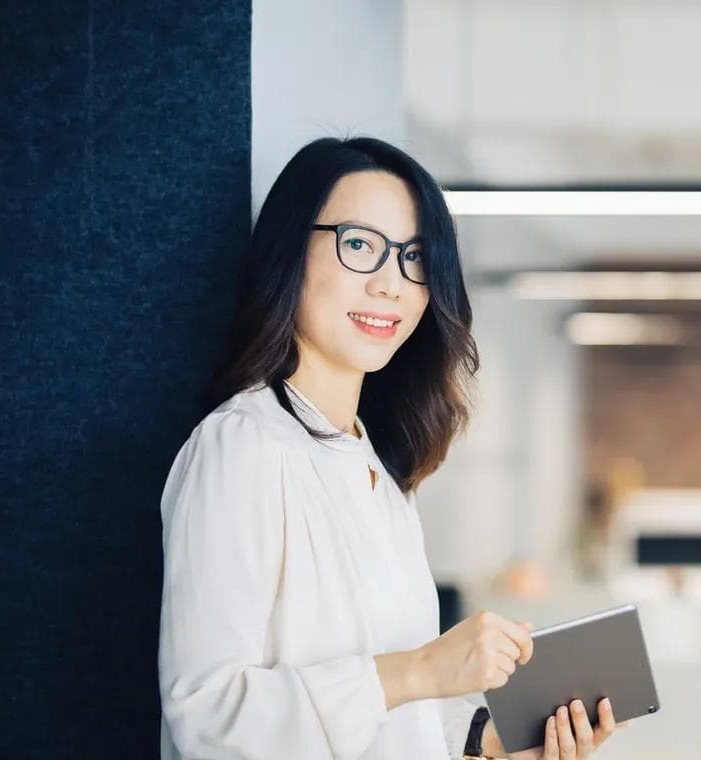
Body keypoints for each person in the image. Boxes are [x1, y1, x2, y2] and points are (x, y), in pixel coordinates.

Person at [157, 137, 623, 759]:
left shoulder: (377, 468)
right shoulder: (241, 448)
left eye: (415, 257)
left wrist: (488, 744)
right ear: (290, 253)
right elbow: (206, 717)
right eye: (359, 245)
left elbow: (391, 719)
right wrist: (423, 670)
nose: (391, 284)